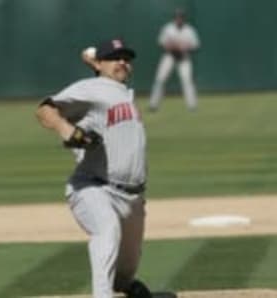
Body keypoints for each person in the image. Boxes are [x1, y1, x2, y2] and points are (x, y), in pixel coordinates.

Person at [36, 39, 152, 298]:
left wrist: (102, 63)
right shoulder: (90, 88)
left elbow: (111, 79)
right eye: (114, 57)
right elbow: (45, 110)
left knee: (124, 274)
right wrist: (67, 130)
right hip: (93, 187)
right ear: (99, 64)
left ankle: (124, 287)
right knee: (106, 230)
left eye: (126, 57)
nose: (122, 61)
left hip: (133, 198)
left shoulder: (122, 91)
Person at [149, 9, 200, 112]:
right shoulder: (168, 28)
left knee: (187, 81)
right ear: (175, 18)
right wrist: (174, 46)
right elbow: (162, 43)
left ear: (184, 19)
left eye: (181, 17)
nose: (179, 19)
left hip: (184, 57)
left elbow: (195, 45)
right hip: (169, 56)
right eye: (177, 17)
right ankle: (153, 105)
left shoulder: (189, 30)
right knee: (160, 79)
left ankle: (192, 106)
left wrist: (185, 47)